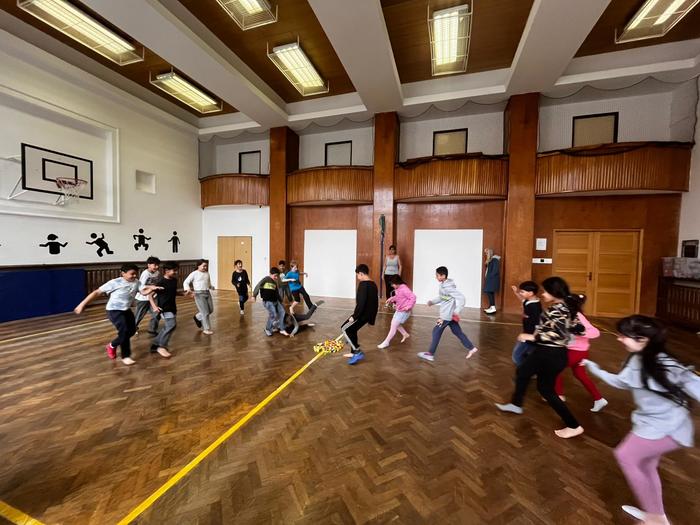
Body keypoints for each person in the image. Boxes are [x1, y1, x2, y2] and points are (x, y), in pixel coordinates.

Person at [583, 315, 700, 525]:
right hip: (654, 424)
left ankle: (654, 518)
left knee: (625, 456)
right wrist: (594, 368)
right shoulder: (638, 358)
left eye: (623, 335)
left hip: (667, 428)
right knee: (647, 465)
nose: (619, 338)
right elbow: (621, 382)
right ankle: (657, 514)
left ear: (643, 339)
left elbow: (693, 384)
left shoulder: (664, 363)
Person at [495, 276, 584, 439]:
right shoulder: (566, 307)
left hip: (549, 353)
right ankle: (516, 404)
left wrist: (531, 336)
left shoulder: (558, 309)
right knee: (526, 374)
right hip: (553, 353)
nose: (542, 294)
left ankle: (573, 425)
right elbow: (578, 328)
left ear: (554, 292)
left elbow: (556, 334)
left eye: (545, 291)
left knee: (542, 387)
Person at [74, 262, 160, 366]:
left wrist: (152, 289)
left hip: (126, 310)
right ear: (123, 273)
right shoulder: (115, 282)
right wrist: (82, 305)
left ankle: (112, 345)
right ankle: (126, 356)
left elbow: (143, 292)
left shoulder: (136, 282)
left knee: (132, 331)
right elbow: (96, 292)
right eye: (132, 274)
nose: (134, 276)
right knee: (124, 332)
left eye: (136, 274)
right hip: (114, 311)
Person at [554, 294, 608, 413]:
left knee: (555, 368)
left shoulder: (578, 316)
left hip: (576, 352)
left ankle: (559, 396)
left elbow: (595, 332)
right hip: (578, 352)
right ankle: (599, 399)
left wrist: (582, 333)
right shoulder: (569, 315)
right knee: (580, 375)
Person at [418, 266, 478, 363]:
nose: (436, 277)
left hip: (446, 316)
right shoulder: (443, 285)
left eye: (437, 275)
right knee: (457, 332)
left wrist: (456, 312)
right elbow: (442, 297)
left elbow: (462, 298)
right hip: (449, 316)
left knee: (436, 331)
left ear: (443, 276)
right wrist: (432, 302)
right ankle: (471, 348)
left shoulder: (448, 287)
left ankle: (430, 354)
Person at [342, 264, 378, 365]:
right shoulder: (373, 284)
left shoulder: (363, 285)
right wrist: (372, 319)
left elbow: (361, 303)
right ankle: (353, 352)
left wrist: (354, 317)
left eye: (357, 275)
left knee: (345, 329)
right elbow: (375, 303)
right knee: (352, 330)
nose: (357, 277)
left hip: (361, 315)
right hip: (367, 315)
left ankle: (357, 352)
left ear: (361, 274)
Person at [149, 261, 181, 358]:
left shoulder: (174, 280)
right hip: (164, 308)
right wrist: (154, 307)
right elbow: (150, 295)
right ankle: (161, 346)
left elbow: (173, 292)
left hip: (172, 307)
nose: (176, 272)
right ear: (166, 271)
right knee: (171, 325)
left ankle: (155, 343)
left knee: (170, 326)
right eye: (174, 270)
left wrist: (184, 294)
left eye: (176, 270)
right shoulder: (161, 282)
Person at [378, 275, 415, 349]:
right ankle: (405, 334)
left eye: (393, 284)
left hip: (404, 311)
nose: (392, 285)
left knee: (393, 325)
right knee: (395, 324)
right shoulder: (398, 288)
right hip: (399, 309)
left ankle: (386, 342)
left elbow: (413, 297)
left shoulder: (404, 289)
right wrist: (391, 299)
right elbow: (399, 297)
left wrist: (408, 307)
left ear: (397, 282)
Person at [511, 281, 542, 366]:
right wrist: (516, 292)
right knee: (528, 354)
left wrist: (533, 337)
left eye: (522, 292)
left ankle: (525, 370)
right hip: (527, 333)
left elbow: (539, 324)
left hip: (530, 335)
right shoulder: (529, 301)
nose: (520, 293)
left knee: (516, 356)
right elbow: (522, 300)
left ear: (530, 293)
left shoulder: (535, 307)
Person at [252, 267, 289, 337]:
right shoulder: (266, 279)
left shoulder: (275, 283)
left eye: (277, 276)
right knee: (273, 314)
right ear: (270, 274)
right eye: (275, 276)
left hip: (276, 300)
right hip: (268, 301)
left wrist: (281, 301)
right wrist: (254, 295)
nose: (276, 277)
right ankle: (268, 329)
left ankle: (282, 329)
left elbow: (277, 293)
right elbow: (258, 285)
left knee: (282, 312)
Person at [183, 259, 215, 335]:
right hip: (199, 294)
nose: (205, 267)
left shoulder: (207, 273)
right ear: (198, 265)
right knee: (205, 312)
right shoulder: (194, 273)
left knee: (210, 310)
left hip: (207, 293)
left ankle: (197, 317)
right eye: (203, 266)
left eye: (206, 266)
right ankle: (206, 329)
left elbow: (208, 283)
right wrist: (188, 289)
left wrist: (211, 286)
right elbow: (186, 282)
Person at [134, 256, 161, 336]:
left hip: (152, 297)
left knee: (156, 313)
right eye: (155, 265)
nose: (157, 267)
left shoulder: (157, 273)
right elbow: (141, 286)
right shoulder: (145, 273)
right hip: (142, 298)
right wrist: (151, 287)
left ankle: (152, 330)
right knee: (139, 315)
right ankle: (133, 328)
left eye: (157, 265)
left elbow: (157, 283)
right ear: (148, 265)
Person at [483, 248, 501, 314]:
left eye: (486, 253)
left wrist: (490, 277)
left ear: (489, 253)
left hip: (492, 279)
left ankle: (493, 307)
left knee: (489, 292)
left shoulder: (495, 260)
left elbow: (495, 270)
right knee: (489, 292)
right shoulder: (490, 260)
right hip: (490, 279)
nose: (485, 254)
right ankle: (491, 307)